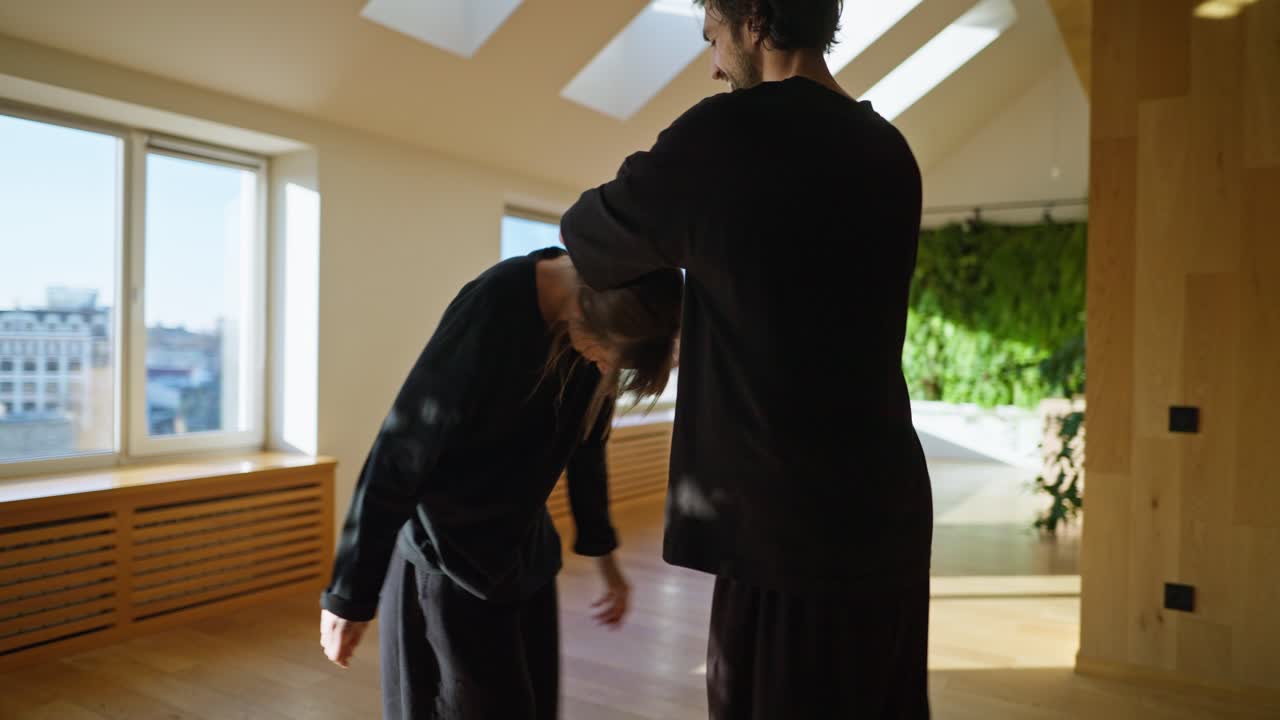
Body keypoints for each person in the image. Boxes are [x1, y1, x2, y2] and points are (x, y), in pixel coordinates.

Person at [558, 1, 934, 717]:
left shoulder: (722, 136)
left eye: (713, 38)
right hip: (888, 514)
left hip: (782, 527)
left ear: (755, 20)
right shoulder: (890, 151)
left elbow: (587, 232)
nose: (713, 64)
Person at [318, 247, 683, 720]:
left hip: (521, 552)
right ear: (582, 309)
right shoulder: (496, 303)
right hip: (448, 559)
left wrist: (604, 555)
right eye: (608, 354)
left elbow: (586, 443)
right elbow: (402, 450)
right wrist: (351, 595)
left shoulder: (616, 310)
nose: (608, 368)